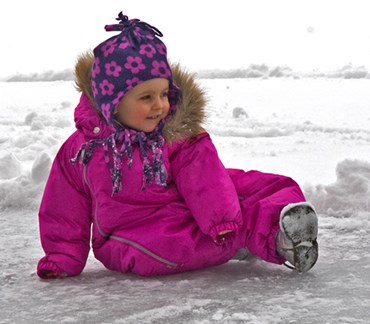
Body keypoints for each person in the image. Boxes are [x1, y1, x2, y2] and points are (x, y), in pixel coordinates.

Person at [37, 12, 318, 279]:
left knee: (261, 185)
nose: (160, 105)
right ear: (113, 104)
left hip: (186, 204)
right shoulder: (83, 151)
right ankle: (262, 237)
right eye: (146, 97)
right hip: (130, 234)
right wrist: (62, 257)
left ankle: (282, 226)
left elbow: (205, 177)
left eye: (163, 93)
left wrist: (220, 220)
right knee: (167, 244)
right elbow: (63, 207)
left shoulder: (173, 134)